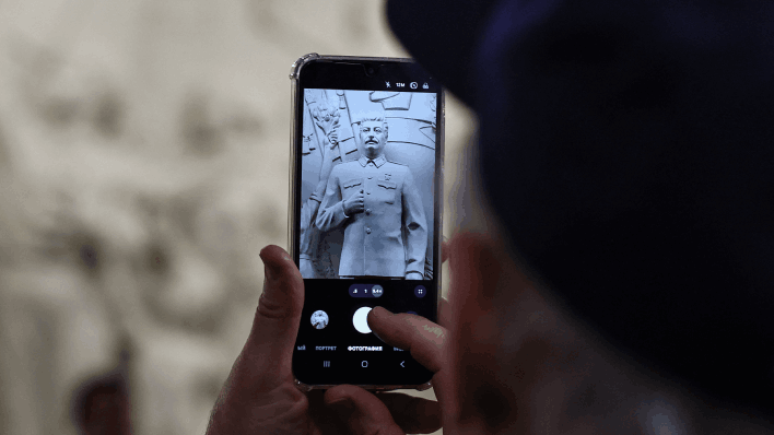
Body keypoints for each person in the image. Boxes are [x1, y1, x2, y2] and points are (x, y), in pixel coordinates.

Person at [206, 0, 774, 434]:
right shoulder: (346, 174)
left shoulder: (404, 178)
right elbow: (324, 220)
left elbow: (416, 228)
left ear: (477, 353)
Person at [315, 111, 427, 279]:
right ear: (360, 136)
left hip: (392, 271)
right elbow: (321, 221)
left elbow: (416, 225)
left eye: (377, 130)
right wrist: (345, 207)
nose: (371, 134)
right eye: (366, 130)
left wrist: (415, 269)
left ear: (385, 136)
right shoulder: (341, 172)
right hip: (351, 270)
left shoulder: (402, 173)